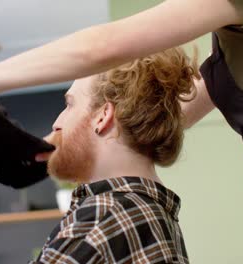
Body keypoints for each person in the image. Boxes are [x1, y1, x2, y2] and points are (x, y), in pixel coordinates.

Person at [0, 0, 243, 262]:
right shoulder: (238, 52)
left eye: (68, 103)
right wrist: (34, 149)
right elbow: (143, 117)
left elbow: (101, 48)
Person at [29, 48, 195, 264]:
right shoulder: (154, 215)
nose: (57, 123)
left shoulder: (99, 221)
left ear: (103, 116)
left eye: (70, 104)